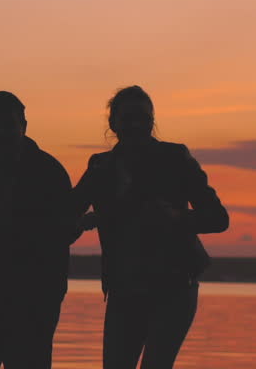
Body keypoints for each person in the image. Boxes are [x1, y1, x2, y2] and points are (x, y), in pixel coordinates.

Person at [71, 85, 229, 369]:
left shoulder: (176, 158)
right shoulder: (101, 166)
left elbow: (218, 218)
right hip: (123, 287)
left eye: (142, 118)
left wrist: (176, 217)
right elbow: (67, 214)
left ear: (151, 122)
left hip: (175, 285)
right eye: (127, 117)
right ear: (113, 123)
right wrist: (82, 221)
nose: (135, 124)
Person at [0, 91, 74, 369]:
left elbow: (65, 232)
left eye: (8, 125)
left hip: (32, 299)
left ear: (24, 126)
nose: (0, 132)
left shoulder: (48, 170)